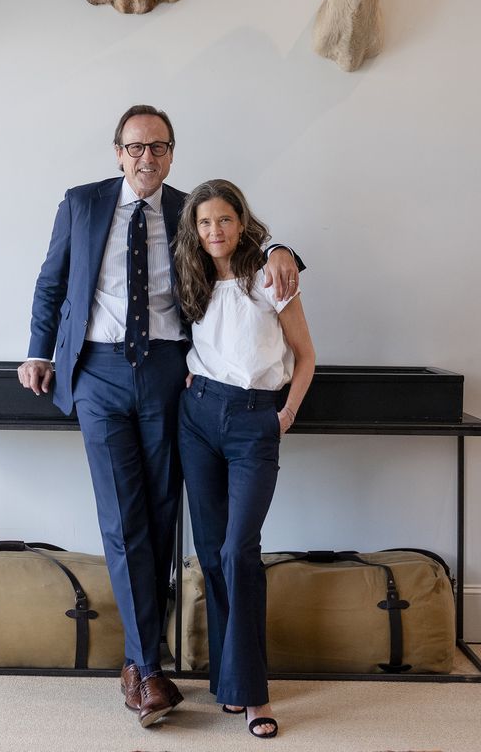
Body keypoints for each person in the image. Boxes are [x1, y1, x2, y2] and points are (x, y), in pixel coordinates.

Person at [18, 106, 302, 728]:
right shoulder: (82, 203)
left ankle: (142, 661)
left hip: (171, 374)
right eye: (136, 147)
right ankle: (147, 668)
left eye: (159, 147)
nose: (147, 157)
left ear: (172, 154)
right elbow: (51, 281)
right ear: (118, 151)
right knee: (123, 520)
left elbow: (237, 242)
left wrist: (282, 247)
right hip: (97, 373)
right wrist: (38, 351)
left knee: (162, 516)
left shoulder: (186, 208)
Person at [172, 179, 316, 740]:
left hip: (256, 420)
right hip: (198, 417)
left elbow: (305, 356)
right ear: (195, 229)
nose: (215, 231)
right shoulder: (193, 276)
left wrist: (287, 413)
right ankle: (229, 681)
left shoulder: (270, 275)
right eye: (205, 223)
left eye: (224, 220)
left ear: (241, 221)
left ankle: (255, 694)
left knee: (239, 551)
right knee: (212, 553)